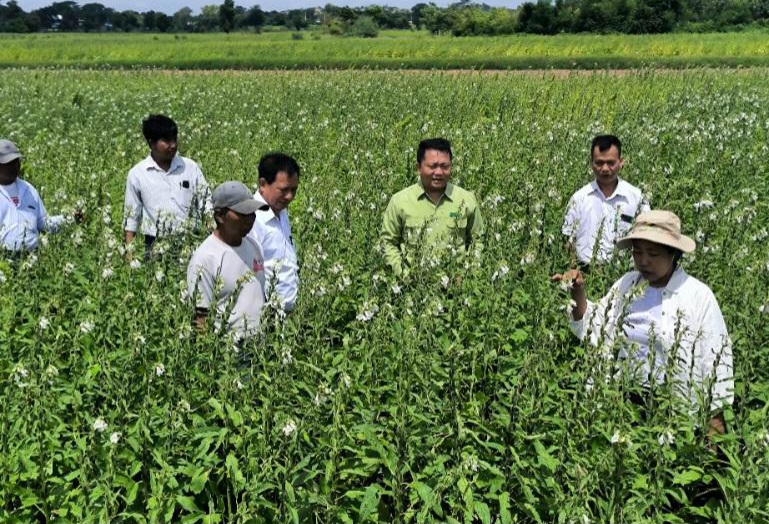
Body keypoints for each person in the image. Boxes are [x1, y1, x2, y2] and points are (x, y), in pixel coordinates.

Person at [552, 210, 733, 435]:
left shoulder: (698, 296)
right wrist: (577, 291)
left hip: (673, 413)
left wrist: (713, 430)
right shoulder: (627, 284)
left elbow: (716, 362)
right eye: (637, 252)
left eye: (653, 254)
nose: (643, 261)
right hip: (619, 404)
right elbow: (592, 325)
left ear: (674, 254)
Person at [381, 137, 482, 275]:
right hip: (411, 284)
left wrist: (468, 273)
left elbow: (478, 241)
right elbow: (388, 243)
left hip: (457, 284)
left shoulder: (466, 200)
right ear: (418, 168)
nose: (439, 172)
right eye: (432, 166)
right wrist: (404, 275)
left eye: (445, 166)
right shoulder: (400, 201)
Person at [187, 181, 266, 342]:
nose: (250, 219)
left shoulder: (254, 246)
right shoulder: (205, 259)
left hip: (260, 349)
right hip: (228, 351)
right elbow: (201, 319)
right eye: (243, 213)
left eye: (252, 213)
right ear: (220, 216)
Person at [123, 114, 209, 259]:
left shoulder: (190, 167)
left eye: (174, 139)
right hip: (155, 244)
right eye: (167, 141)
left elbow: (206, 202)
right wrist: (129, 254)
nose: (173, 145)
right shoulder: (137, 174)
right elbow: (131, 217)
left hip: (190, 240)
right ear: (151, 143)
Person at [562, 135, 649, 269]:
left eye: (610, 163)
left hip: (624, 273)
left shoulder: (636, 197)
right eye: (599, 163)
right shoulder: (579, 198)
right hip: (584, 271)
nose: (605, 169)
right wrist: (574, 270)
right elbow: (568, 240)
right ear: (591, 163)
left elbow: (646, 236)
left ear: (621, 162)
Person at [0, 139, 75, 252]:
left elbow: (43, 223)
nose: (15, 166)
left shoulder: (28, 189)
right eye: (9, 163)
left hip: (33, 257)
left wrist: (69, 219)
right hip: (5, 259)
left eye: (16, 161)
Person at [247, 153, 300, 312]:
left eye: (294, 190)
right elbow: (248, 273)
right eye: (283, 190)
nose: (289, 197)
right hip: (265, 314)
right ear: (263, 184)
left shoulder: (281, 211)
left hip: (286, 315)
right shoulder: (252, 219)